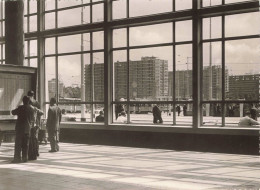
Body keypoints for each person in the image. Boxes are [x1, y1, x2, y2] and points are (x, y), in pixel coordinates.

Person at [11, 96, 42, 163]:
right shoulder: (32, 108)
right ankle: (25, 158)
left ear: (23, 101)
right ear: (29, 101)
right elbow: (38, 115)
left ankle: (17, 158)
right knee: (26, 144)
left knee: (18, 144)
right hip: (28, 129)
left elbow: (13, 112)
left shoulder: (20, 108)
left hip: (19, 128)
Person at [27, 90, 42, 158]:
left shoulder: (29, 102)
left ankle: (32, 152)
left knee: (31, 139)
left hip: (31, 123)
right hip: (37, 123)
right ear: (33, 95)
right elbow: (40, 113)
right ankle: (36, 151)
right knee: (35, 138)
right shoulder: (37, 103)